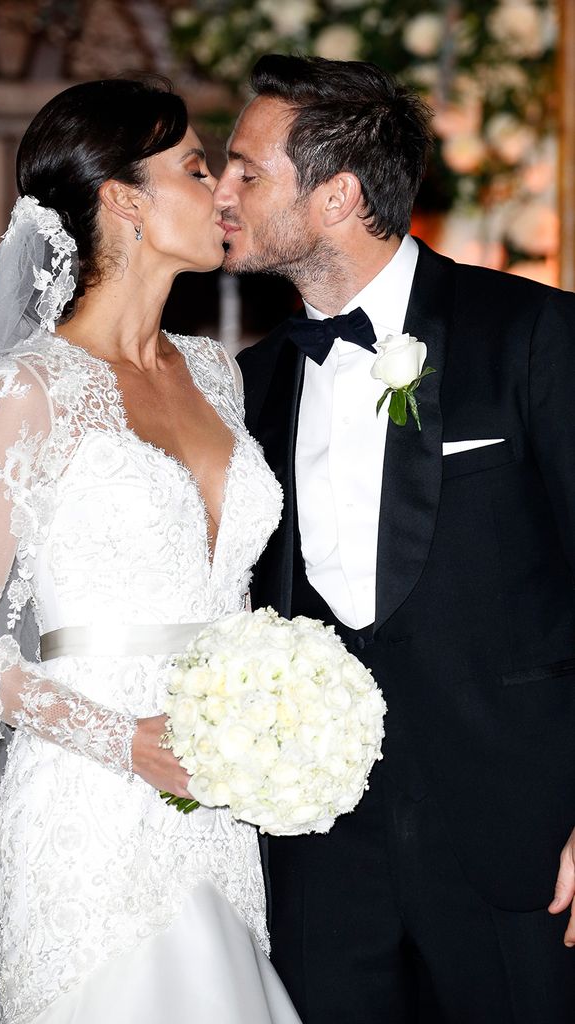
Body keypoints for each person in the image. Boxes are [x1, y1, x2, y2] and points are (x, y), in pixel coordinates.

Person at [0, 77, 302, 1024]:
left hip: (220, 800)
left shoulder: (217, 372)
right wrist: (124, 743)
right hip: (88, 800)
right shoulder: (28, 390)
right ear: (122, 198)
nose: (224, 193)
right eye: (199, 169)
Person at [214, 54, 575, 1024]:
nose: (223, 190)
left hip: (519, 846)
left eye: (248, 171)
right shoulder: (250, 386)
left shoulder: (532, 334)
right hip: (318, 863)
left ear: (335, 196)